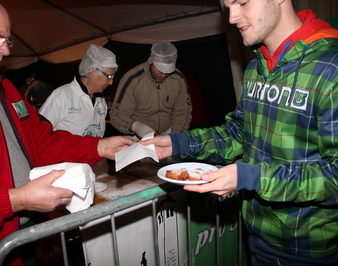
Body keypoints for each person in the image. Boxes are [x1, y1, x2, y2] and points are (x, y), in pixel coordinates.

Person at [0, 0, 136, 265]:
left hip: (23, 235)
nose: (5, 50)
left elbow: (41, 141)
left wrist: (98, 148)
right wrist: (15, 200)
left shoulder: (3, 87)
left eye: (7, 40)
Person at [142, 1, 338, 265]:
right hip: (258, 235)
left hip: (310, 249)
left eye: (242, 2)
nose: (233, 17)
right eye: (227, 5)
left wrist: (252, 177)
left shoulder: (331, 67)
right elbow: (237, 134)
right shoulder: (256, 67)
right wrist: (178, 143)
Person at [40, 44, 117, 176]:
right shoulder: (61, 96)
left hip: (95, 166)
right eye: (109, 77)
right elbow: (40, 136)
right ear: (92, 73)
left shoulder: (100, 101)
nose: (111, 82)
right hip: (67, 171)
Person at [110, 41, 192, 138]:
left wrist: (176, 136)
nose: (163, 75)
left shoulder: (178, 79)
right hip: (136, 136)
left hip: (168, 133)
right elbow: (117, 115)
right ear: (151, 61)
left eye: (168, 71)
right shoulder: (132, 80)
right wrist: (134, 126)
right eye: (160, 70)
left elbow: (182, 112)